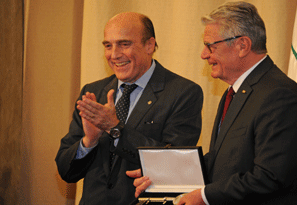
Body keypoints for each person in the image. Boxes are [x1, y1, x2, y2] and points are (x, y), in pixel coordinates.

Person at [127, 2, 297, 204]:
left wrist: (204, 196)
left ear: (242, 45)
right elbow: (223, 161)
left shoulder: (279, 95)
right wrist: (162, 173)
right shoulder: (235, 92)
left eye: (211, 46)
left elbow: (270, 176)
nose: (204, 55)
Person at [55, 12, 203, 205]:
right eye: (108, 45)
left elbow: (175, 167)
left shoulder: (183, 92)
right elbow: (67, 172)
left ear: (149, 45)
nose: (114, 54)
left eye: (124, 44)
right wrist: (89, 141)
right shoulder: (93, 92)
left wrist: (115, 128)